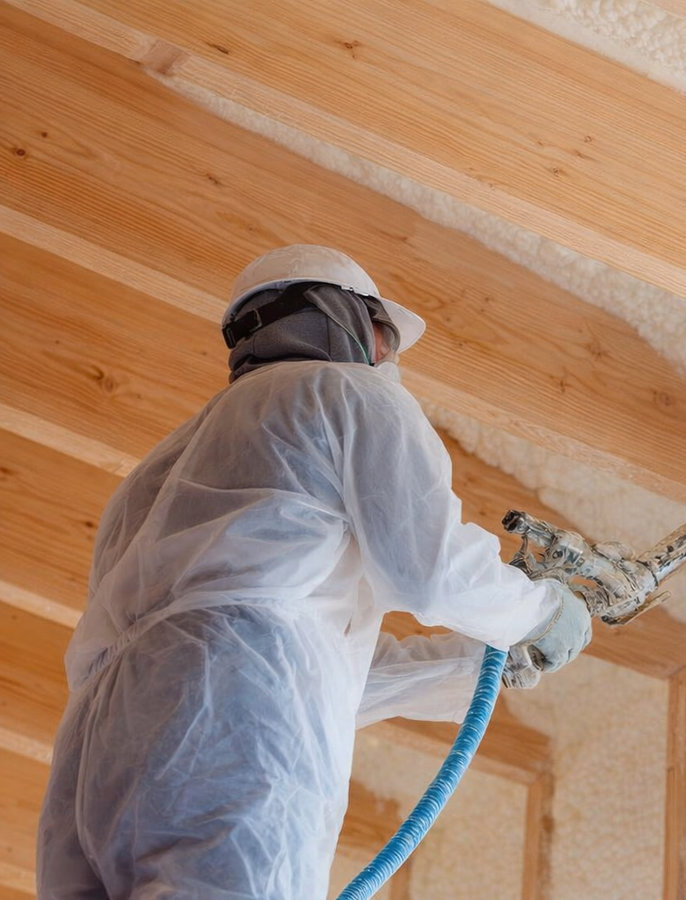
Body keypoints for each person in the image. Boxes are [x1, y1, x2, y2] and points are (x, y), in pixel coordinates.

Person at [36, 245, 592, 898]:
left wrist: (475, 666)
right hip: (227, 733)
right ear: (353, 324)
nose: (391, 359)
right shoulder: (345, 393)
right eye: (385, 336)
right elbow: (431, 570)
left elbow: (295, 661)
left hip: (95, 751)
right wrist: (539, 611)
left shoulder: (153, 474)